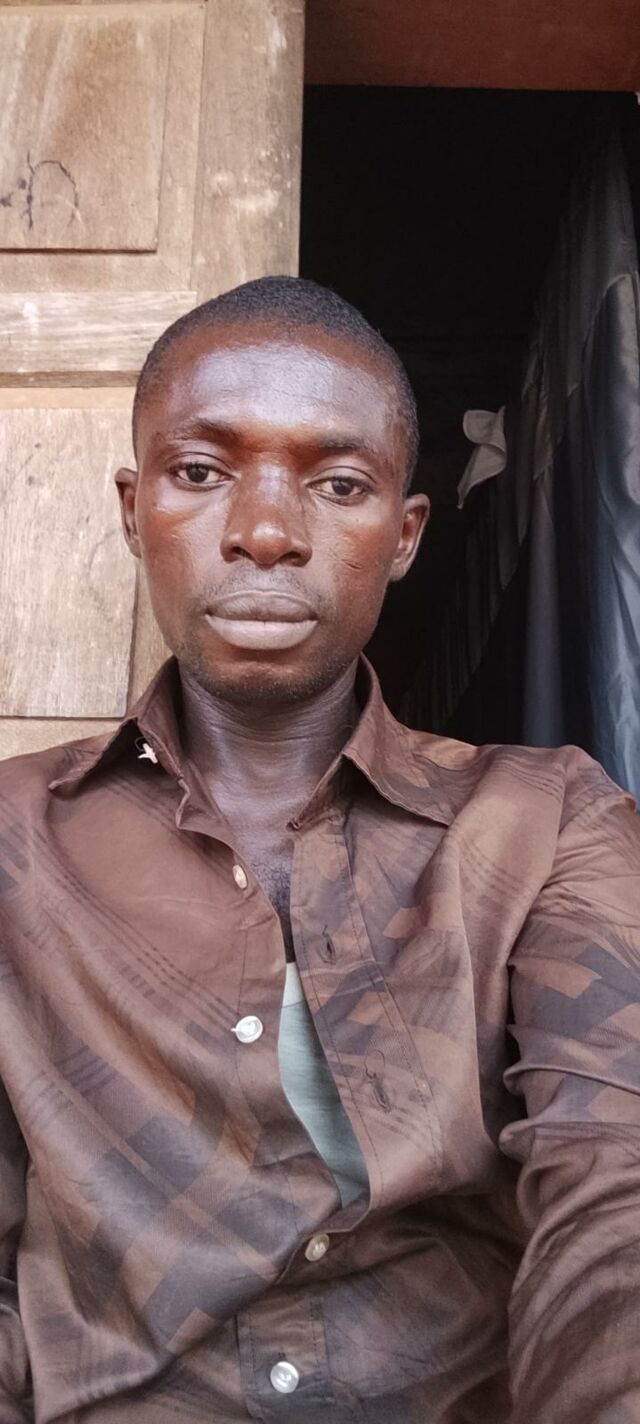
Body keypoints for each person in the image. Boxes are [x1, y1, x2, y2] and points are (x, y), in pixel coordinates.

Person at [0, 276, 639, 1424]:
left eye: (337, 484)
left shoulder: (545, 820)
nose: (264, 532)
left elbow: (615, 1192)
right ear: (134, 509)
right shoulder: (14, 843)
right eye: (202, 472)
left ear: (404, 535)